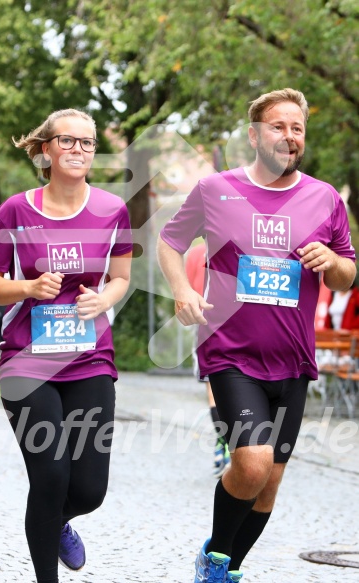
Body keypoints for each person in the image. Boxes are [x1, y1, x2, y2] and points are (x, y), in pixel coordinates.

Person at [157, 88, 356, 583]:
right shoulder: (216, 189)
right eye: (277, 126)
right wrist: (182, 289)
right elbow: (169, 241)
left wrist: (331, 262)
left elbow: (346, 275)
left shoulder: (325, 198)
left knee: (270, 482)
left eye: (297, 128)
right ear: (254, 134)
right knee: (251, 462)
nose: (288, 136)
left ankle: (225, 565)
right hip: (230, 352)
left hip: (292, 358)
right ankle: (218, 561)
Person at [0, 108, 132, 583]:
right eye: (68, 141)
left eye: (87, 142)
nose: (79, 150)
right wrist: (27, 289)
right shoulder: (15, 211)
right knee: (50, 476)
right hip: (27, 362)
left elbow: (121, 277)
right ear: (46, 150)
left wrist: (103, 297)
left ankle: (58, 520)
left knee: (88, 490)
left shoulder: (112, 210)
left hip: (90, 360)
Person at [185, 242, 230, 478]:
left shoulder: (195, 253)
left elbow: (189, 288)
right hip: (233, 320)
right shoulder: (237, 241)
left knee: (213, 389)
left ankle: (224, 441)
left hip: (204, 321)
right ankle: (231, 442)